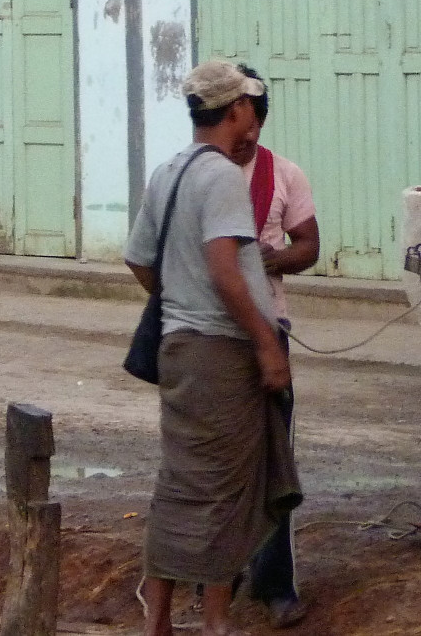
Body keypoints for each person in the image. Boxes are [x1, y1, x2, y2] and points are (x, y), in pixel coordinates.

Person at [125, 60, 301, 636]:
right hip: (220, 352)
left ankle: (161, 621)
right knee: (226, 489)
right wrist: (266, 345)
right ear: (236, 111)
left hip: (181, 346)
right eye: (252, 105)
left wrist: (178, 298)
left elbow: (139, 259)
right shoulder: (223, 176)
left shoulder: (169, 170)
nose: (255, 116)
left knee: (182, 482)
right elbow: (226, 270)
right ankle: (217, 621)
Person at [232, 62, 318, 628]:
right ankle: (221, 571)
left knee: (275, 460)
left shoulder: (284, 175)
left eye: (258, 120)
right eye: (243, 119)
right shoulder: (190, 175)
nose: (250, 132)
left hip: (271, 328)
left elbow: (309, 246)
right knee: (217, 459)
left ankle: (275, 581)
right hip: (212, 332)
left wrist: (270, 259)